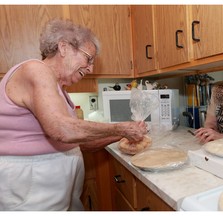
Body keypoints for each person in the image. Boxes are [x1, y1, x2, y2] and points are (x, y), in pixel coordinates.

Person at [0, 18, 147, 211]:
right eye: (89, 58)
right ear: (64, 48)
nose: (91, 68)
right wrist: (120, 127)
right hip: (31, 183)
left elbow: (80, 142)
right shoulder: (35, 69)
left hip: (49, 183)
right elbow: (62, 129)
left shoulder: (59, 89)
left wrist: (123, 133)